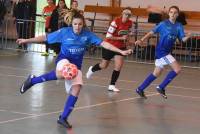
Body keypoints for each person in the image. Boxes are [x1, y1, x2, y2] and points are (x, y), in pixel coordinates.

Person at [16, 13, 132, 128]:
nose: (77, 26)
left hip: (76, 66)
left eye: (80, 24)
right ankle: (33, 81)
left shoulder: (87, 35)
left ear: (83, 24)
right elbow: (45, 37)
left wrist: (120, 51)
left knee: (77, 89)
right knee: (64, 73)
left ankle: (63, 118)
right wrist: (26, 40)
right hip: (63, 60)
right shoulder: (64, 32)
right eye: (75, 24)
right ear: (71, 24)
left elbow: (104, 44)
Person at [134, 6, 191, 99]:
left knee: (156, 73)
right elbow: (151, 32)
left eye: (175, 12)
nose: (173, 14)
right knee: (177, 69)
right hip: (161, 51)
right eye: (171, 12)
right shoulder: (163, 24)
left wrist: (188, 36)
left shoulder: (179, 26)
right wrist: (142, 40)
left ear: (177, 14)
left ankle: (140, 89)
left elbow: (182, 39)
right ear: (168, 13)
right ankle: (161, 87)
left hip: (167, 51)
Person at [86, 7, 134, 92]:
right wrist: (121, 38)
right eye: (125, 14)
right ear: (122, 13)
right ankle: (92, 69)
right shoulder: (115, 22)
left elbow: (127, 35)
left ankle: (112, 85)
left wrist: (128, 42)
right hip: (110, 46)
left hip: (121, 47)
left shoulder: (130, 23)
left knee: (118, 67)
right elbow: (108, 36)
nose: (127, 16)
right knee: (104, 66)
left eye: (129, 15)